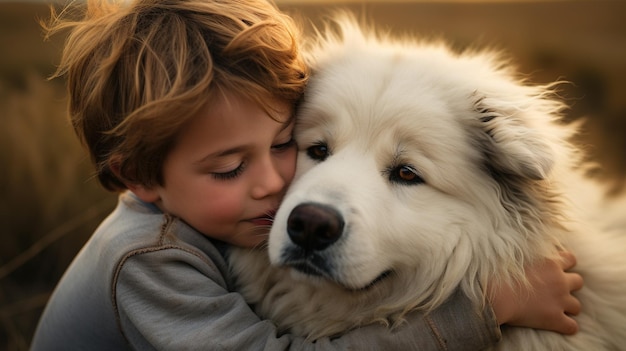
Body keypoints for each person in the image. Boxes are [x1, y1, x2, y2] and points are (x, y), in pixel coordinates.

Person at [32, 0, 583, 349]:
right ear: (141, 179)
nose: (279, 187)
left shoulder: (213, 207)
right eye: (318, 148)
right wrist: (485, 311)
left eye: (407, 172)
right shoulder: (147, 262)